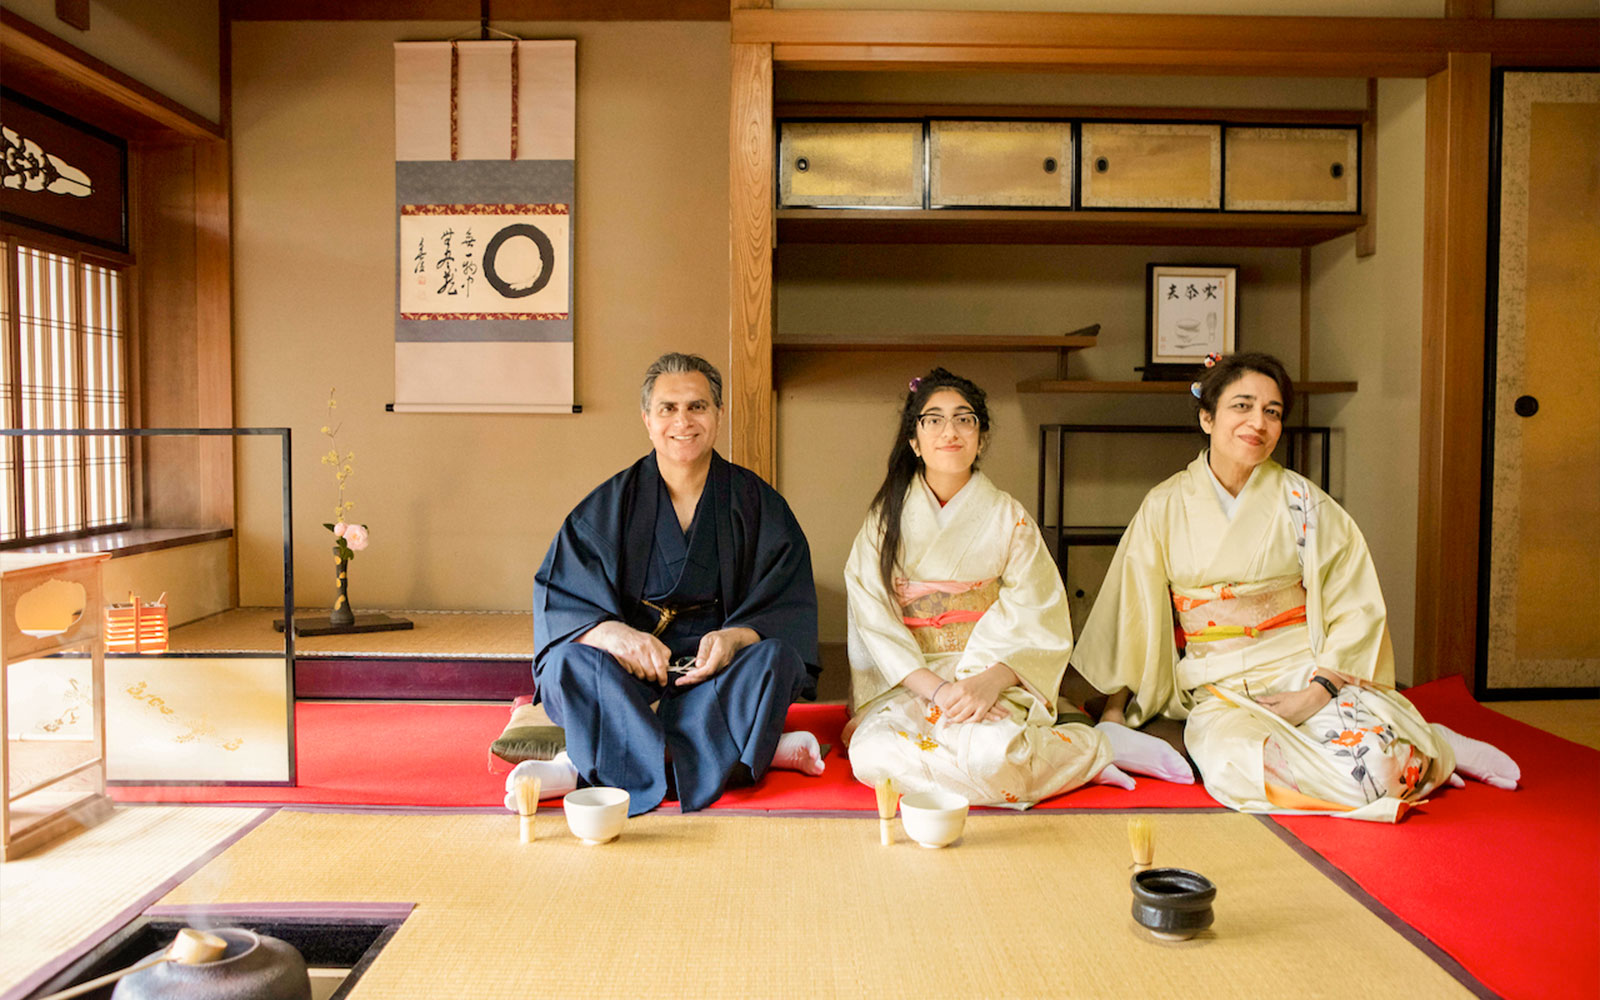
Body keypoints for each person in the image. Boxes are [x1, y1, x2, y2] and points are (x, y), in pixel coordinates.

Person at [1071, 352, 1519, 822]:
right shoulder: (1164, 505)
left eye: (1272, 412)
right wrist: (1115, 713)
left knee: (1377, 769)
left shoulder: (1303, 502)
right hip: (1219, 688)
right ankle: (1418, 744)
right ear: (1207, 417)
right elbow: (1133, 613)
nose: (1258, 423)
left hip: (1302, 672)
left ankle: (1432, 742)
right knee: (1234, 768)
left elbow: (1354, 606)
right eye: (1241, 406)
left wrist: (1318, 691)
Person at [843, 368, 1193, 808]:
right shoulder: (884, 521)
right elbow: (873, 619)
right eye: (933, 420)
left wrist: (989, 682)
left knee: (992, 756)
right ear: (914, 441)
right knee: (872, 756)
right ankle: (1082, 756)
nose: (949, 431)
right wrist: (937, 689)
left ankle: (1093, 748)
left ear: (981, 438)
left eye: (964, 419)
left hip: (989, 676)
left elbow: (1038, 611)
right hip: (912, 682)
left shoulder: (1008, 517)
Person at [511, 352, 823, 816]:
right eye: (668, 408)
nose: (683, 421)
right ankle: (743, 751)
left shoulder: (756, 503)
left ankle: (582, 767)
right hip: (627, 676)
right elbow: (561, 599)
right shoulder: (610, 504)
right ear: (647, 419)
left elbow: (787, 601)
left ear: (719, 415)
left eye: (697, 407)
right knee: (567, 663)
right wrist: (616, 637)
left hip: (717, 672)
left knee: (774, 659)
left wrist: (735, 639)